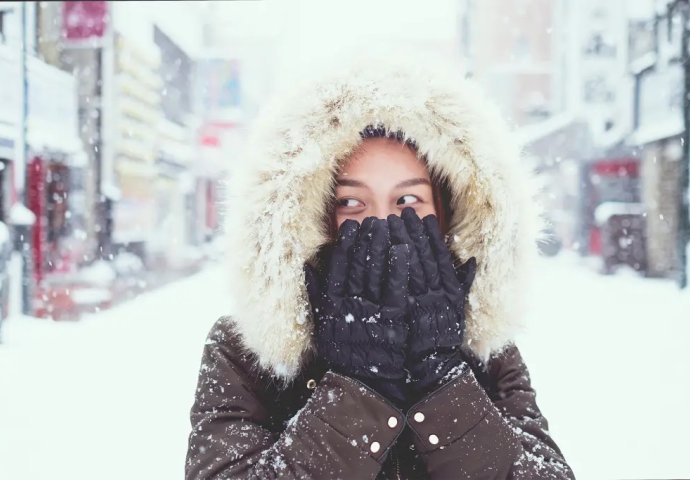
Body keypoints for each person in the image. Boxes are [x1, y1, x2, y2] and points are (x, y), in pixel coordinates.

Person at [185, 54, 575, 479]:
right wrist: (357, 388)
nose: (384, 225)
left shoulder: (488, 354)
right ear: (312, 219)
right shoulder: (244, 353)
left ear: (448, 215)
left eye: (408, 201)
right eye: (352, 203)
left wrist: (442, 379)